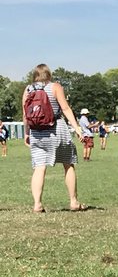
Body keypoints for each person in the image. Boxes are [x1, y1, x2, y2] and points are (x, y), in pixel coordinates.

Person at [22, 63, 85, 212]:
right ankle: (73, 202)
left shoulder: (28, 89)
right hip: (57, 130)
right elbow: (65, 108)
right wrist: (77, 128)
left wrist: (26, 133)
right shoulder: (55, 86)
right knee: (68, 163)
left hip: (37, 133)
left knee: (39, 167)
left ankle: (37, 204)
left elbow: (25, 114)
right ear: (49, 74)